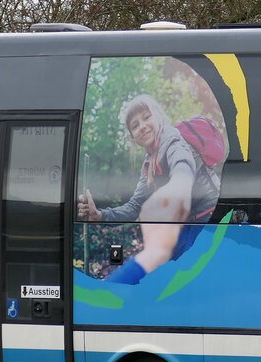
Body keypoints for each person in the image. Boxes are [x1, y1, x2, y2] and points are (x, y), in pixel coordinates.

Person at [79, 94, 219, 284]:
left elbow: (182, 162)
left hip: (208, 221)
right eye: (135, 125)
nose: (142, 126)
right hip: (184, 226)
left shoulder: (172, 139)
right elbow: (134, 206)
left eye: (146, 117)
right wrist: (100, 216)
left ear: (159, 118)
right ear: (134, 138)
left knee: (165, 279)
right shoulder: (149, 164)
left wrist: (180, 184)